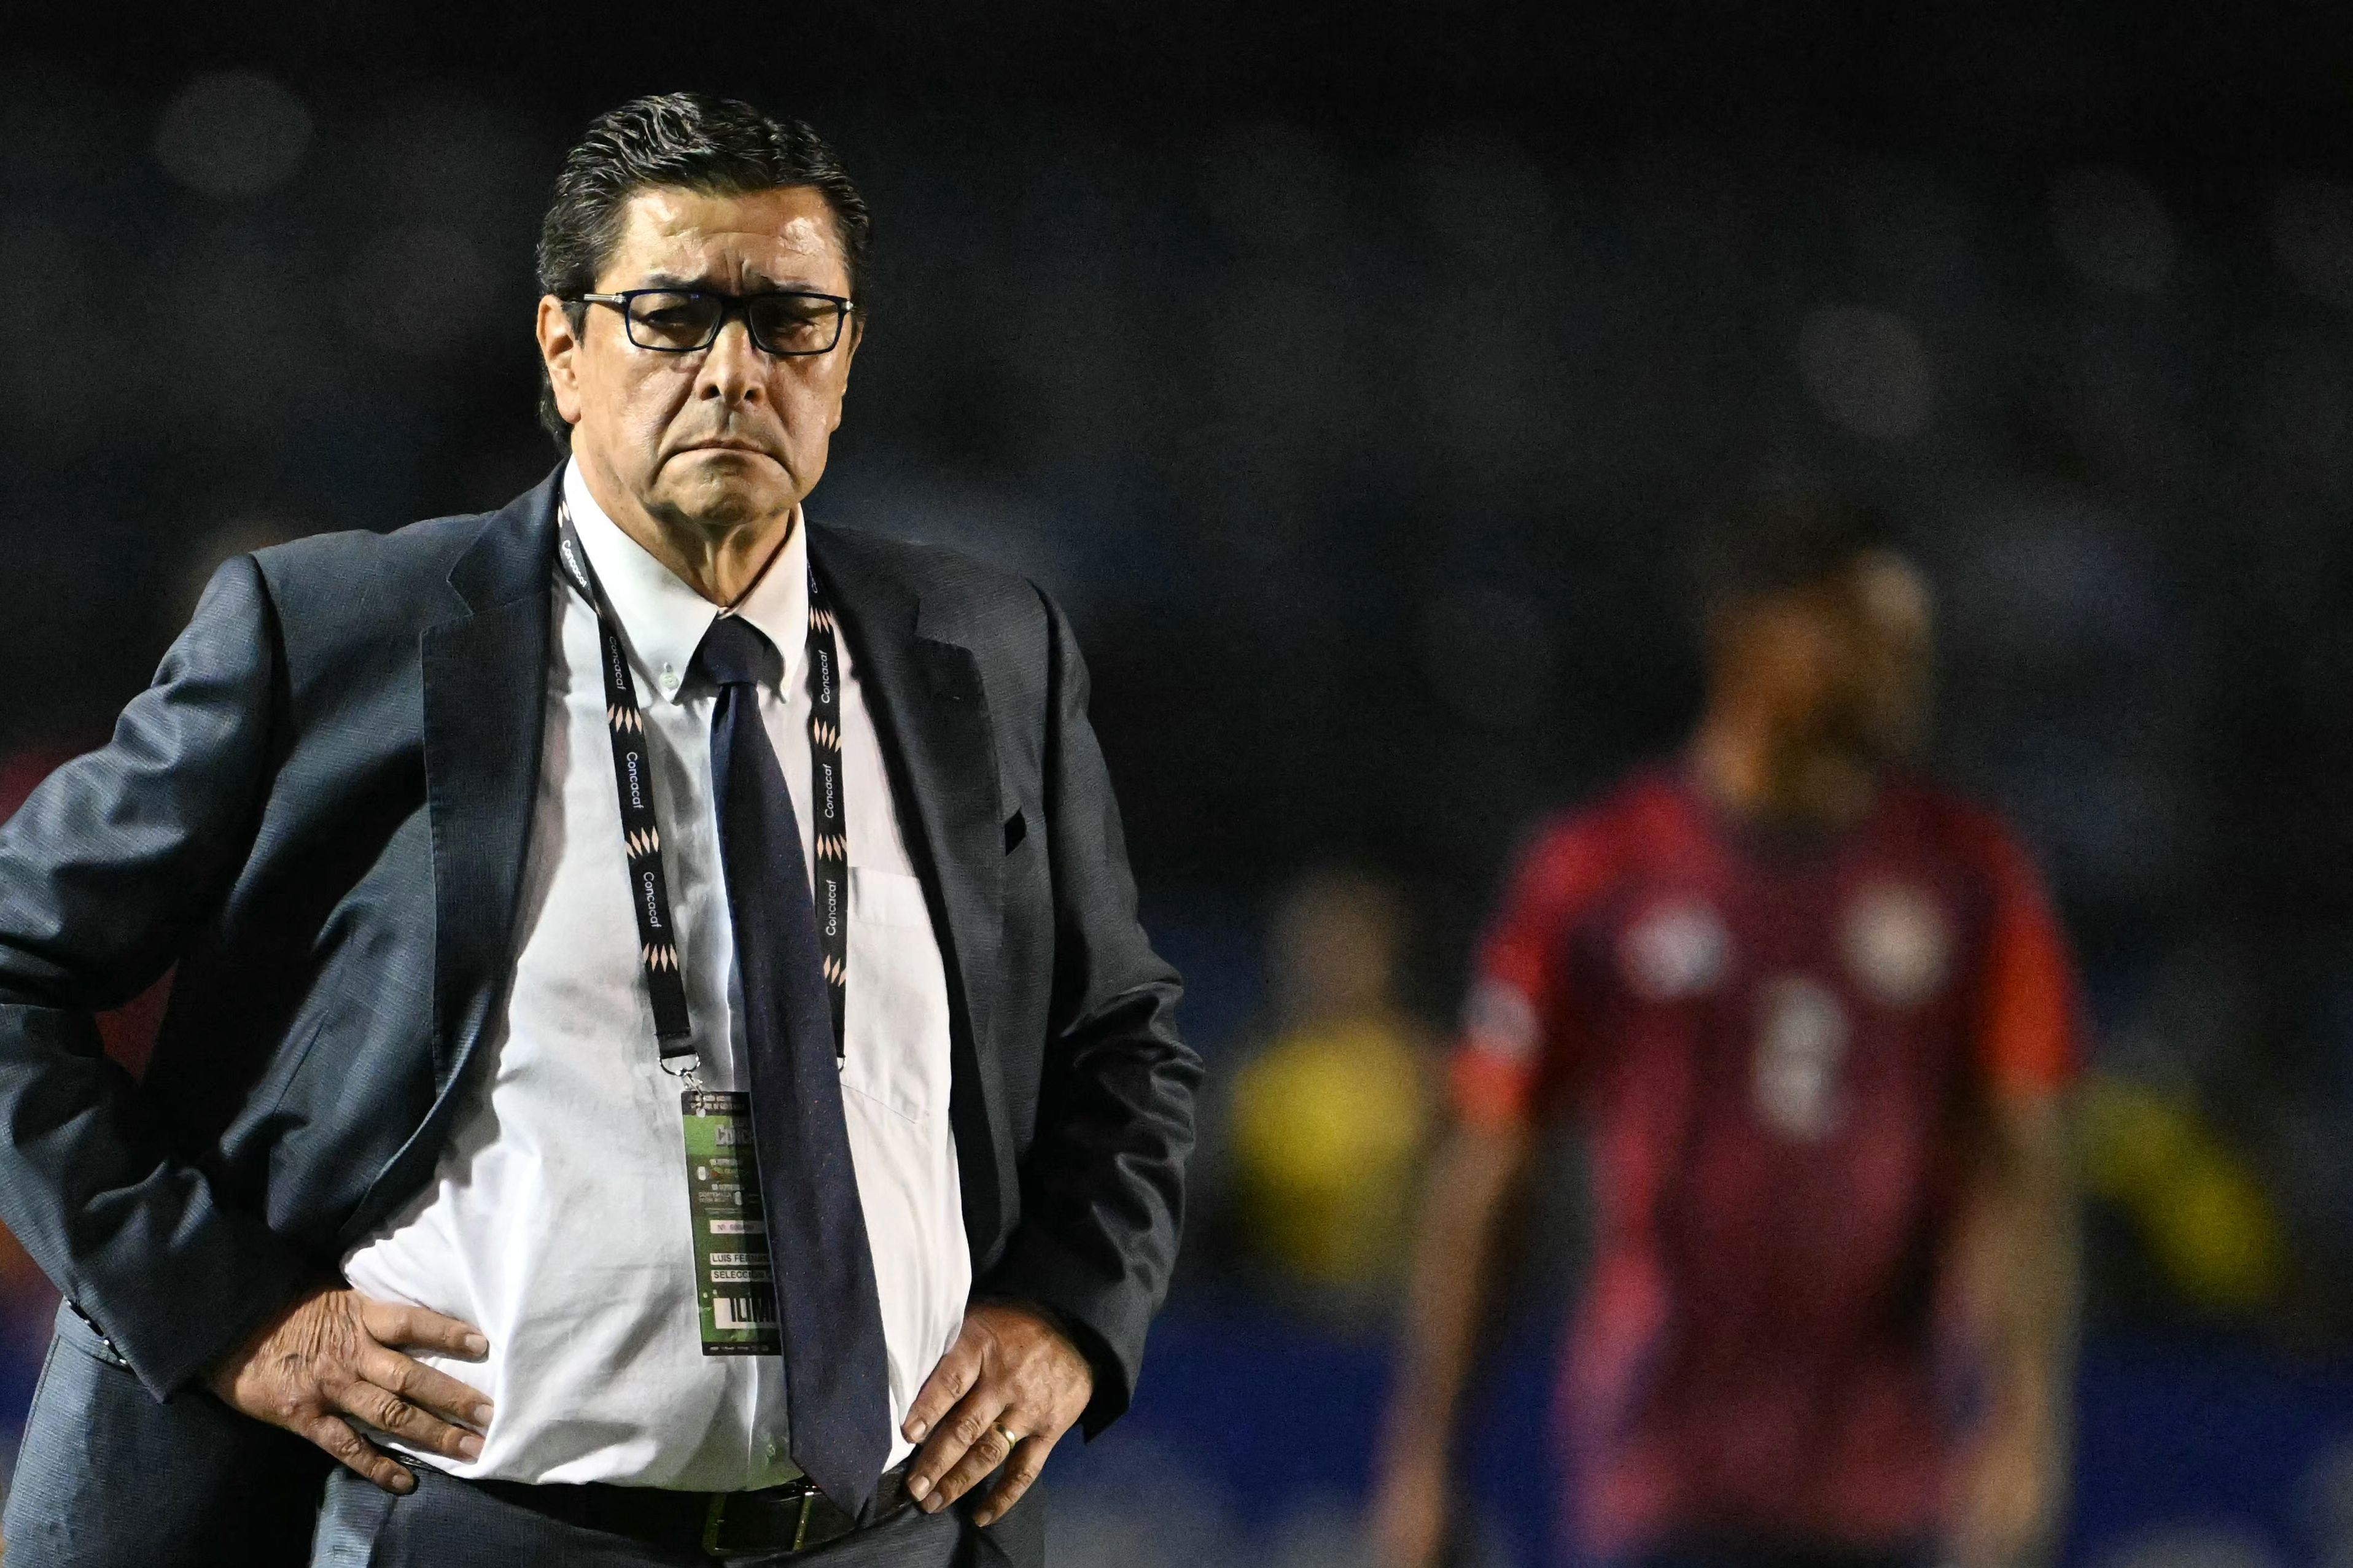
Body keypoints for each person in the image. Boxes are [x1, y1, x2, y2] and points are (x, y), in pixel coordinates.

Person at [0, 93, 1198, 1568]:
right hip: (471, 1525)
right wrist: (228, 1314)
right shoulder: (338, 639)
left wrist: (1072, 1308)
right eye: (673, 315)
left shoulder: (988, 651)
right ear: (563, 350)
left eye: (790, 320)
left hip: (890, 1534)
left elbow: (1120, 1036)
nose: (735, 369)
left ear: (848, 357)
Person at [1369, 495, 2081, 1568]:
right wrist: (1425, 1454)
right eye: (1868, 636)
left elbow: (2019, 1164)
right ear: (1753, 636)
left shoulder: (1971, 876)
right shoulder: (1600, 872)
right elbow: (1493, 1169)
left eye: (1911, 643)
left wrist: (2027, 1418)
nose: (1904, 671)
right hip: (1662, 1450)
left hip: (1887, 1469)